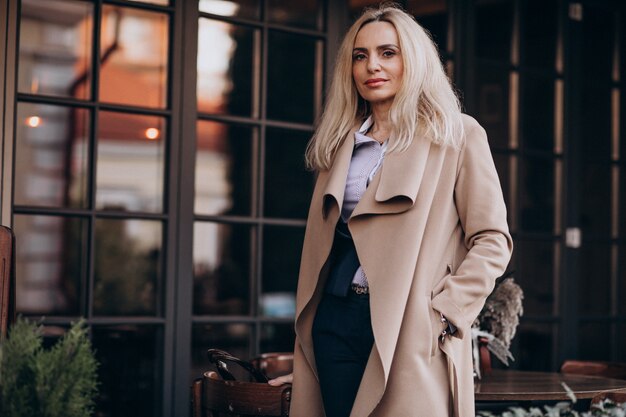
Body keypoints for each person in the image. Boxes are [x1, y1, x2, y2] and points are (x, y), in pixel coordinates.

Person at [268, 4, 513, 417]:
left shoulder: (457, 134)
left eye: (388, 53)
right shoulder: (339, 145)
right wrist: (308, 360)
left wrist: (446, 312)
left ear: (412, 61)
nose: (371, 66)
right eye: (360, 56)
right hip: (337, 320)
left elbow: (492, 239)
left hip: (410, 326)